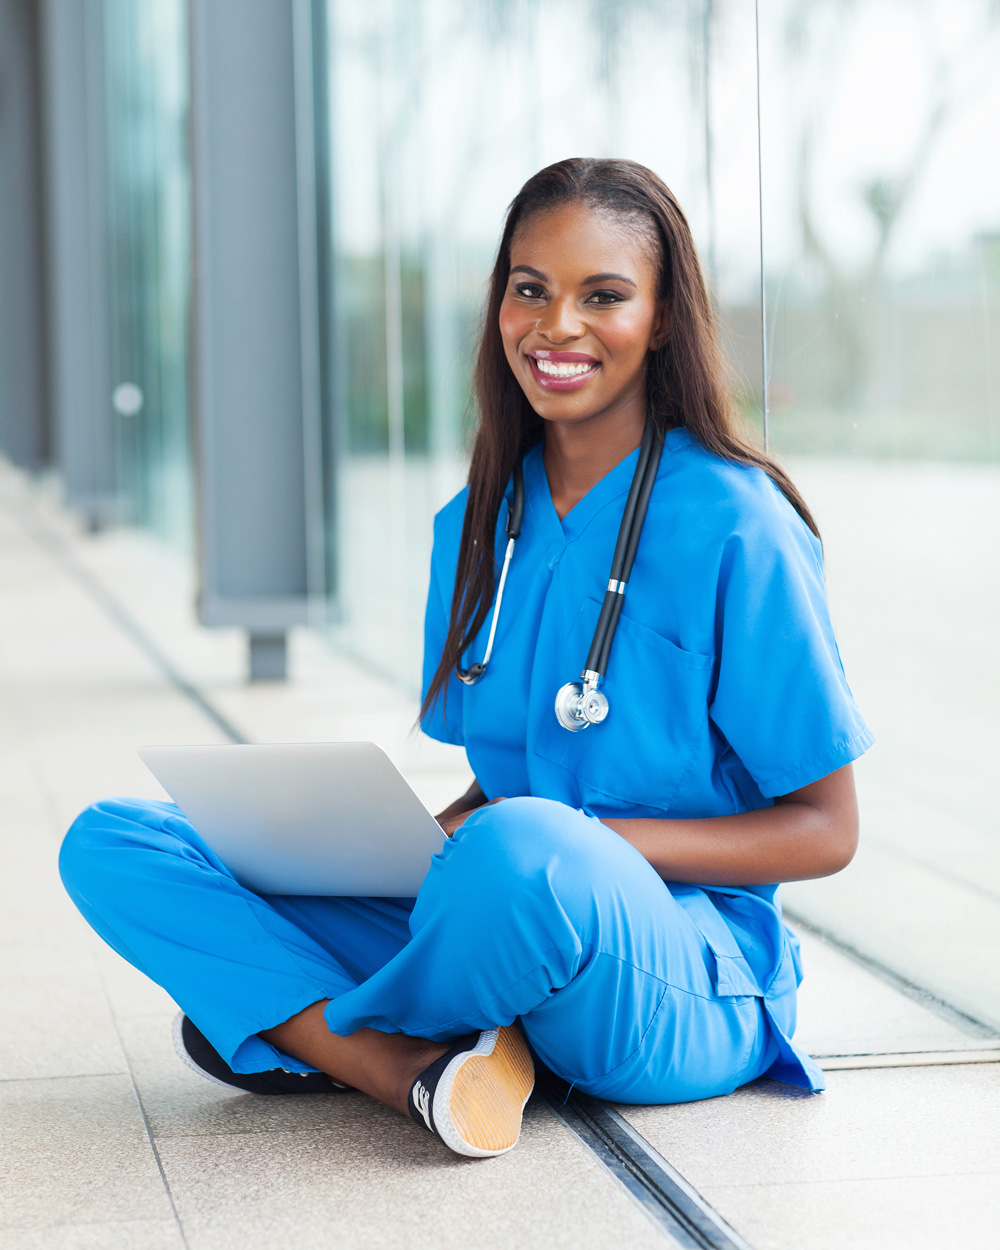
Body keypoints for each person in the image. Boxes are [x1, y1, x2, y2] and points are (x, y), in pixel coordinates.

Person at [60, 157, 874, 1160]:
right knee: (116, 840)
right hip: (499, 897)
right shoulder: (481, 521)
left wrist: (588, 837)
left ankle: (306, 1024)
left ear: (661, 320)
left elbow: (824, 829)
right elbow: (497, 787)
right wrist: (368, 848)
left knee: (523, 857)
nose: (556, 325)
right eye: (528, 289)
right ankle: (409, 1070)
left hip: (678, 963)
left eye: (603, 295)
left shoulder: (737, 524)